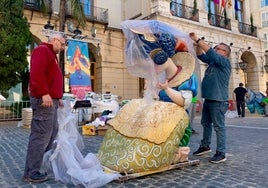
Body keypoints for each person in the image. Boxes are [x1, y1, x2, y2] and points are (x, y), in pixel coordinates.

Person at [23, 34, 66, 183]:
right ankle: (31, 172)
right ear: (54, 40)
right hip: (44, 101)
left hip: (51, 100)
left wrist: (56, 97)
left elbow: (50, 78)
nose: (63, 48)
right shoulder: (42, 51)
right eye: (62, 44)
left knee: (52, 133)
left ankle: (37, 164)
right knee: (40, 136)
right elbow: (37, 74)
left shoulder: (51, 55)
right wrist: (45, 93)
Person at [189, 32, 231, 164]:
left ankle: (221, 152)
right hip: (209, 98)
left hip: (218, 100)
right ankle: (205, 146)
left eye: (219, 49)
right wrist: (197, 45)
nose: (216, 50)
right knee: (205, 123)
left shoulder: (224, 62)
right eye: (216, 48)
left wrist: (198, 39)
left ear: (225, 53)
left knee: (219, 126)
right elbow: (201, 55)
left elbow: (210, 53)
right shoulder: (213, 63)